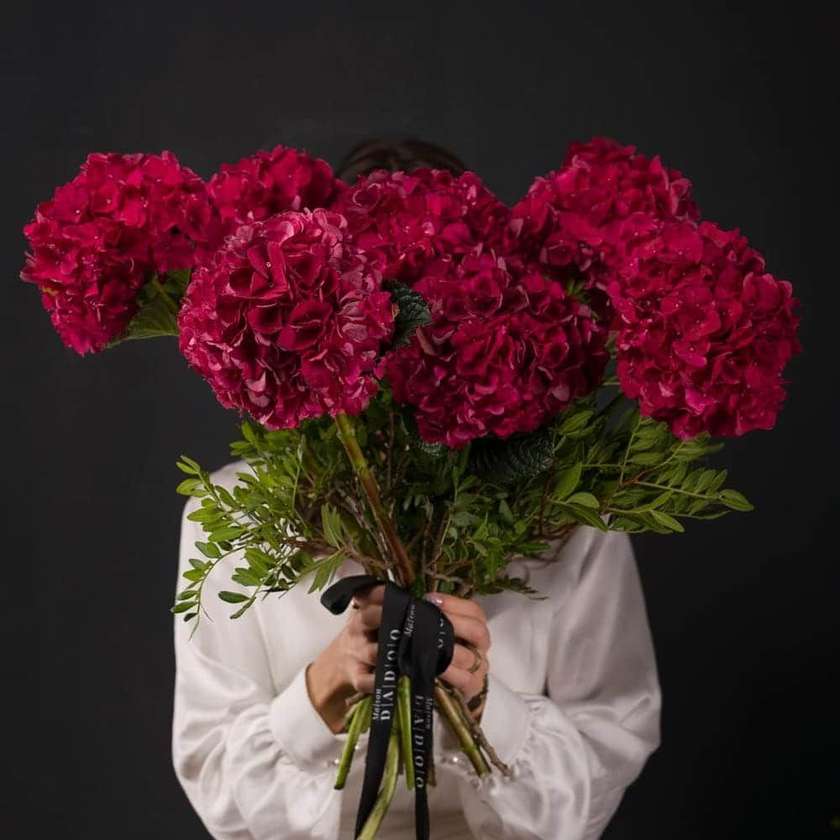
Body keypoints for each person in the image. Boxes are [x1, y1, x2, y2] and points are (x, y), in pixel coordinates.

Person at [171, 140, 662, 840]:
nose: (407, 339)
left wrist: (488, 703)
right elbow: (211, 776)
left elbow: (612, 745)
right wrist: (321, 691)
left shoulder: (568, 514)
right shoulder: (232, 508)